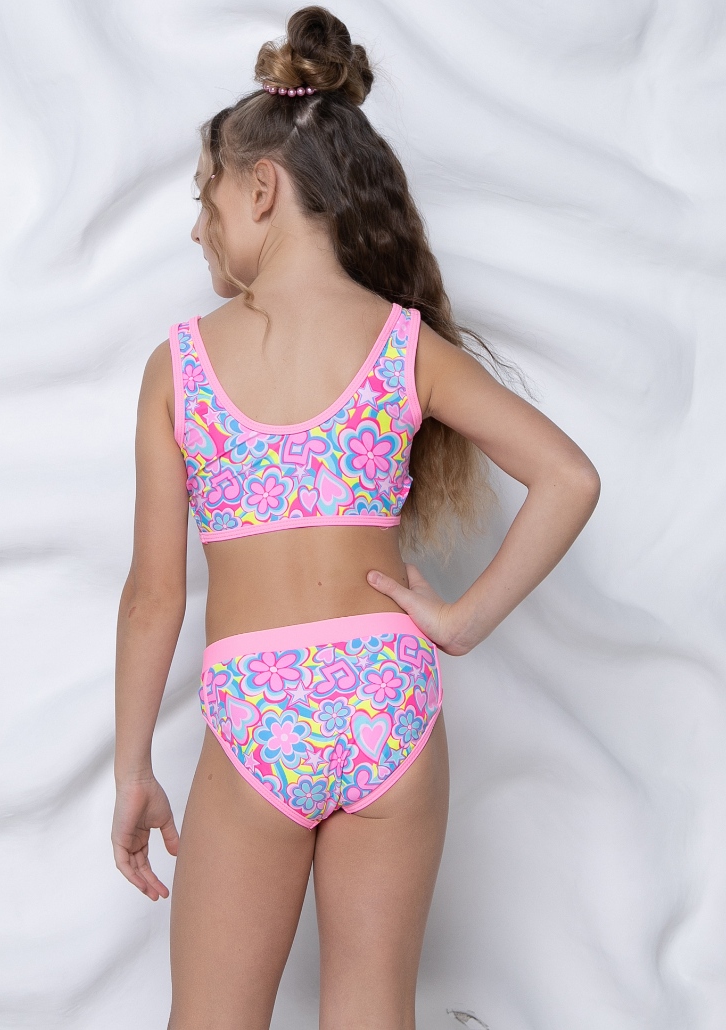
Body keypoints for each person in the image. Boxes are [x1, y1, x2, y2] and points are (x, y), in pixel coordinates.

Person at [111, 7, 600, 1028]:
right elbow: (567, 477)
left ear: (260, 188)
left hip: (259, 711)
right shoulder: (402, 345)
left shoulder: (181, 368)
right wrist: (459, 621)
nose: (197, 227)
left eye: (205, 196)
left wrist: (132, 771)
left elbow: (155, 595)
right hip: (388, 698)